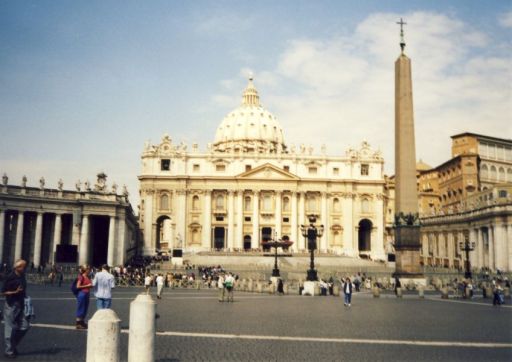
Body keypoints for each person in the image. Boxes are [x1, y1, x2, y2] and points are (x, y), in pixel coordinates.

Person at [2, 259, 30, 358]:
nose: (25, 268)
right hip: (11, 305)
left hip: (21, 304)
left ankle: (12, 346)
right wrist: (15, 292)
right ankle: (9, 351)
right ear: (18, 268)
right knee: (10, 329)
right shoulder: (9, 277)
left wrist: (27, 301)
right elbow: (3, 292)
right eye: (24, 266)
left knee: (25, 326)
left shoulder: (22, 276)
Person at [75, 265, 92, 329]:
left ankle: (82, 322)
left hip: (86, 294)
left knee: (85, 308)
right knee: (81, 308)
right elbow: (78, 286)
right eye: (89, 269)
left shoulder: (87, 277)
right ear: (85, 270)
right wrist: (87, 285)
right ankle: (78, 323)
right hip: (82, 294)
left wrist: (90, 286)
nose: (90, 270)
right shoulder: (81, 277)